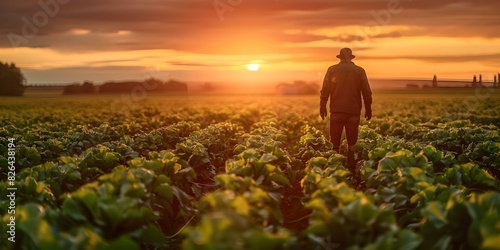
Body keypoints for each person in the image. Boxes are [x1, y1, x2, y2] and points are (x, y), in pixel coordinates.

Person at [319, 48, 372, 170]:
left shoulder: (332, 70)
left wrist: (322, 105)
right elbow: (366, 92)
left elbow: (325, 89)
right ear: (352, 58)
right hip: (353, 112)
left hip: (336, 111)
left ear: (339, 58)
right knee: (352, 144)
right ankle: (351, 168)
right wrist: (368, 108)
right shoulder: (360, 71)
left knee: (335, 144)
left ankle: (335, 168)